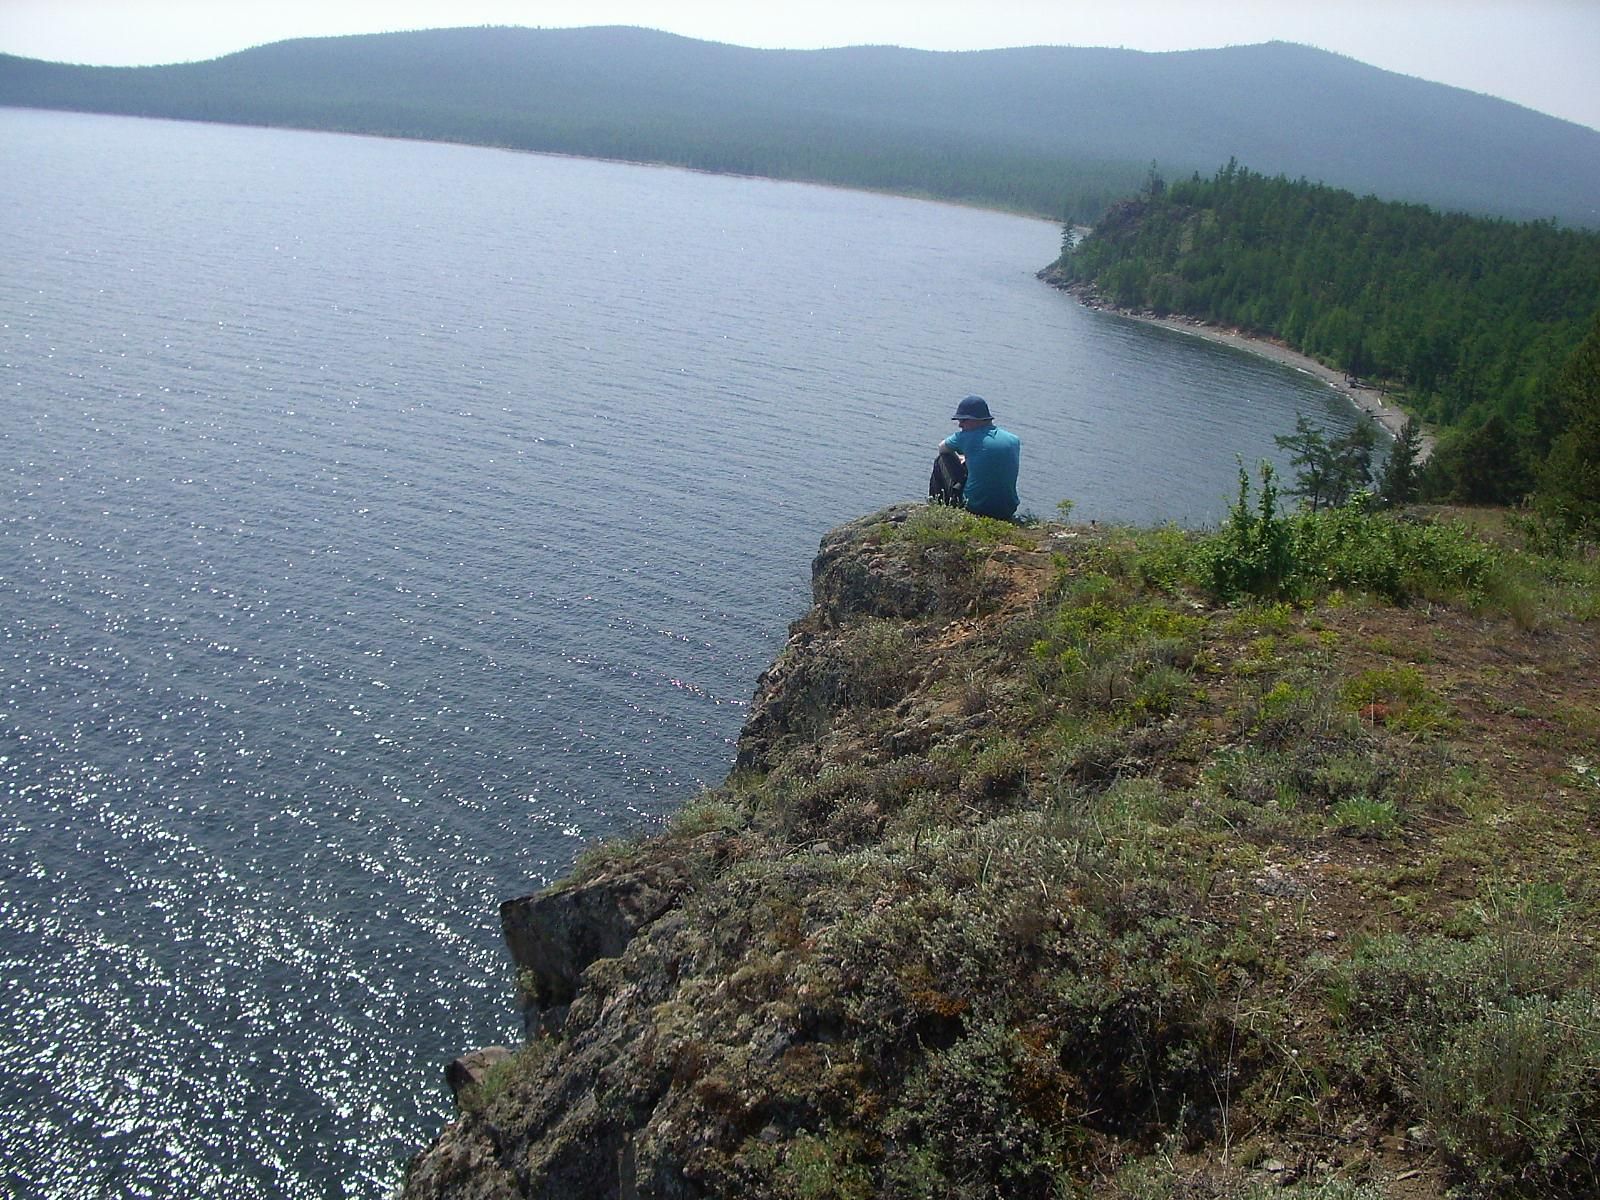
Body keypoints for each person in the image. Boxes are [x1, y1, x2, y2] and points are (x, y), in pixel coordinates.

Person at [931, 395, 1020, 519]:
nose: (960, 425)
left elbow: (942, 448)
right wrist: (968, 459)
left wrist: (962, 459)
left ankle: (938, 508)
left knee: (941, 460)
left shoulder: (966, 437)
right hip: (1007, 510)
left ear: (977, 420)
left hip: (976, 508)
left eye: (963, 420)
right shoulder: (1014, 440)